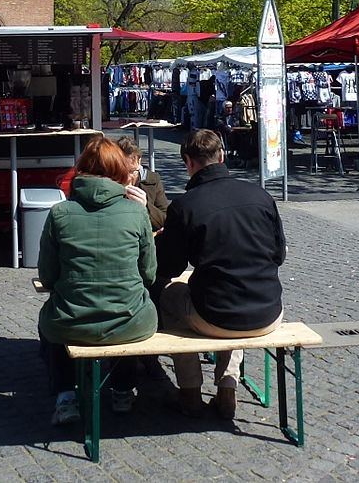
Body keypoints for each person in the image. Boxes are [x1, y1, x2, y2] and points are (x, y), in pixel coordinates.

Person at [154, 129, 286, 420]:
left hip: (216, 314)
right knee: (231, 290)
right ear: (222, 156)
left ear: (188, 162)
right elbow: (279, 255)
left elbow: (169, 268)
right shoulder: (261, 196)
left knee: (170, 295)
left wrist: (165, 239)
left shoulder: (185, 206)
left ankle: (190, 391)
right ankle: (227, 387)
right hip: (268, 311)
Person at [38, 136, 157, 424]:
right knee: (131, 306)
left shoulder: (59, 213)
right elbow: (149, 274)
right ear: (120, 171)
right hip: (130, 322)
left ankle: (66, 396)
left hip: (72, 321)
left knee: (52, 319)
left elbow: (47, 276)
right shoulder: (136, 213)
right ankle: (123, 389)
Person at [114, 137, 169, 232]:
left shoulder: (152, 180)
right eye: (123, 172)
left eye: (132, 171)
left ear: (139, 162)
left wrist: (146, 206)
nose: (128, 178)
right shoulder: (110, 182)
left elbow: (165, 220)